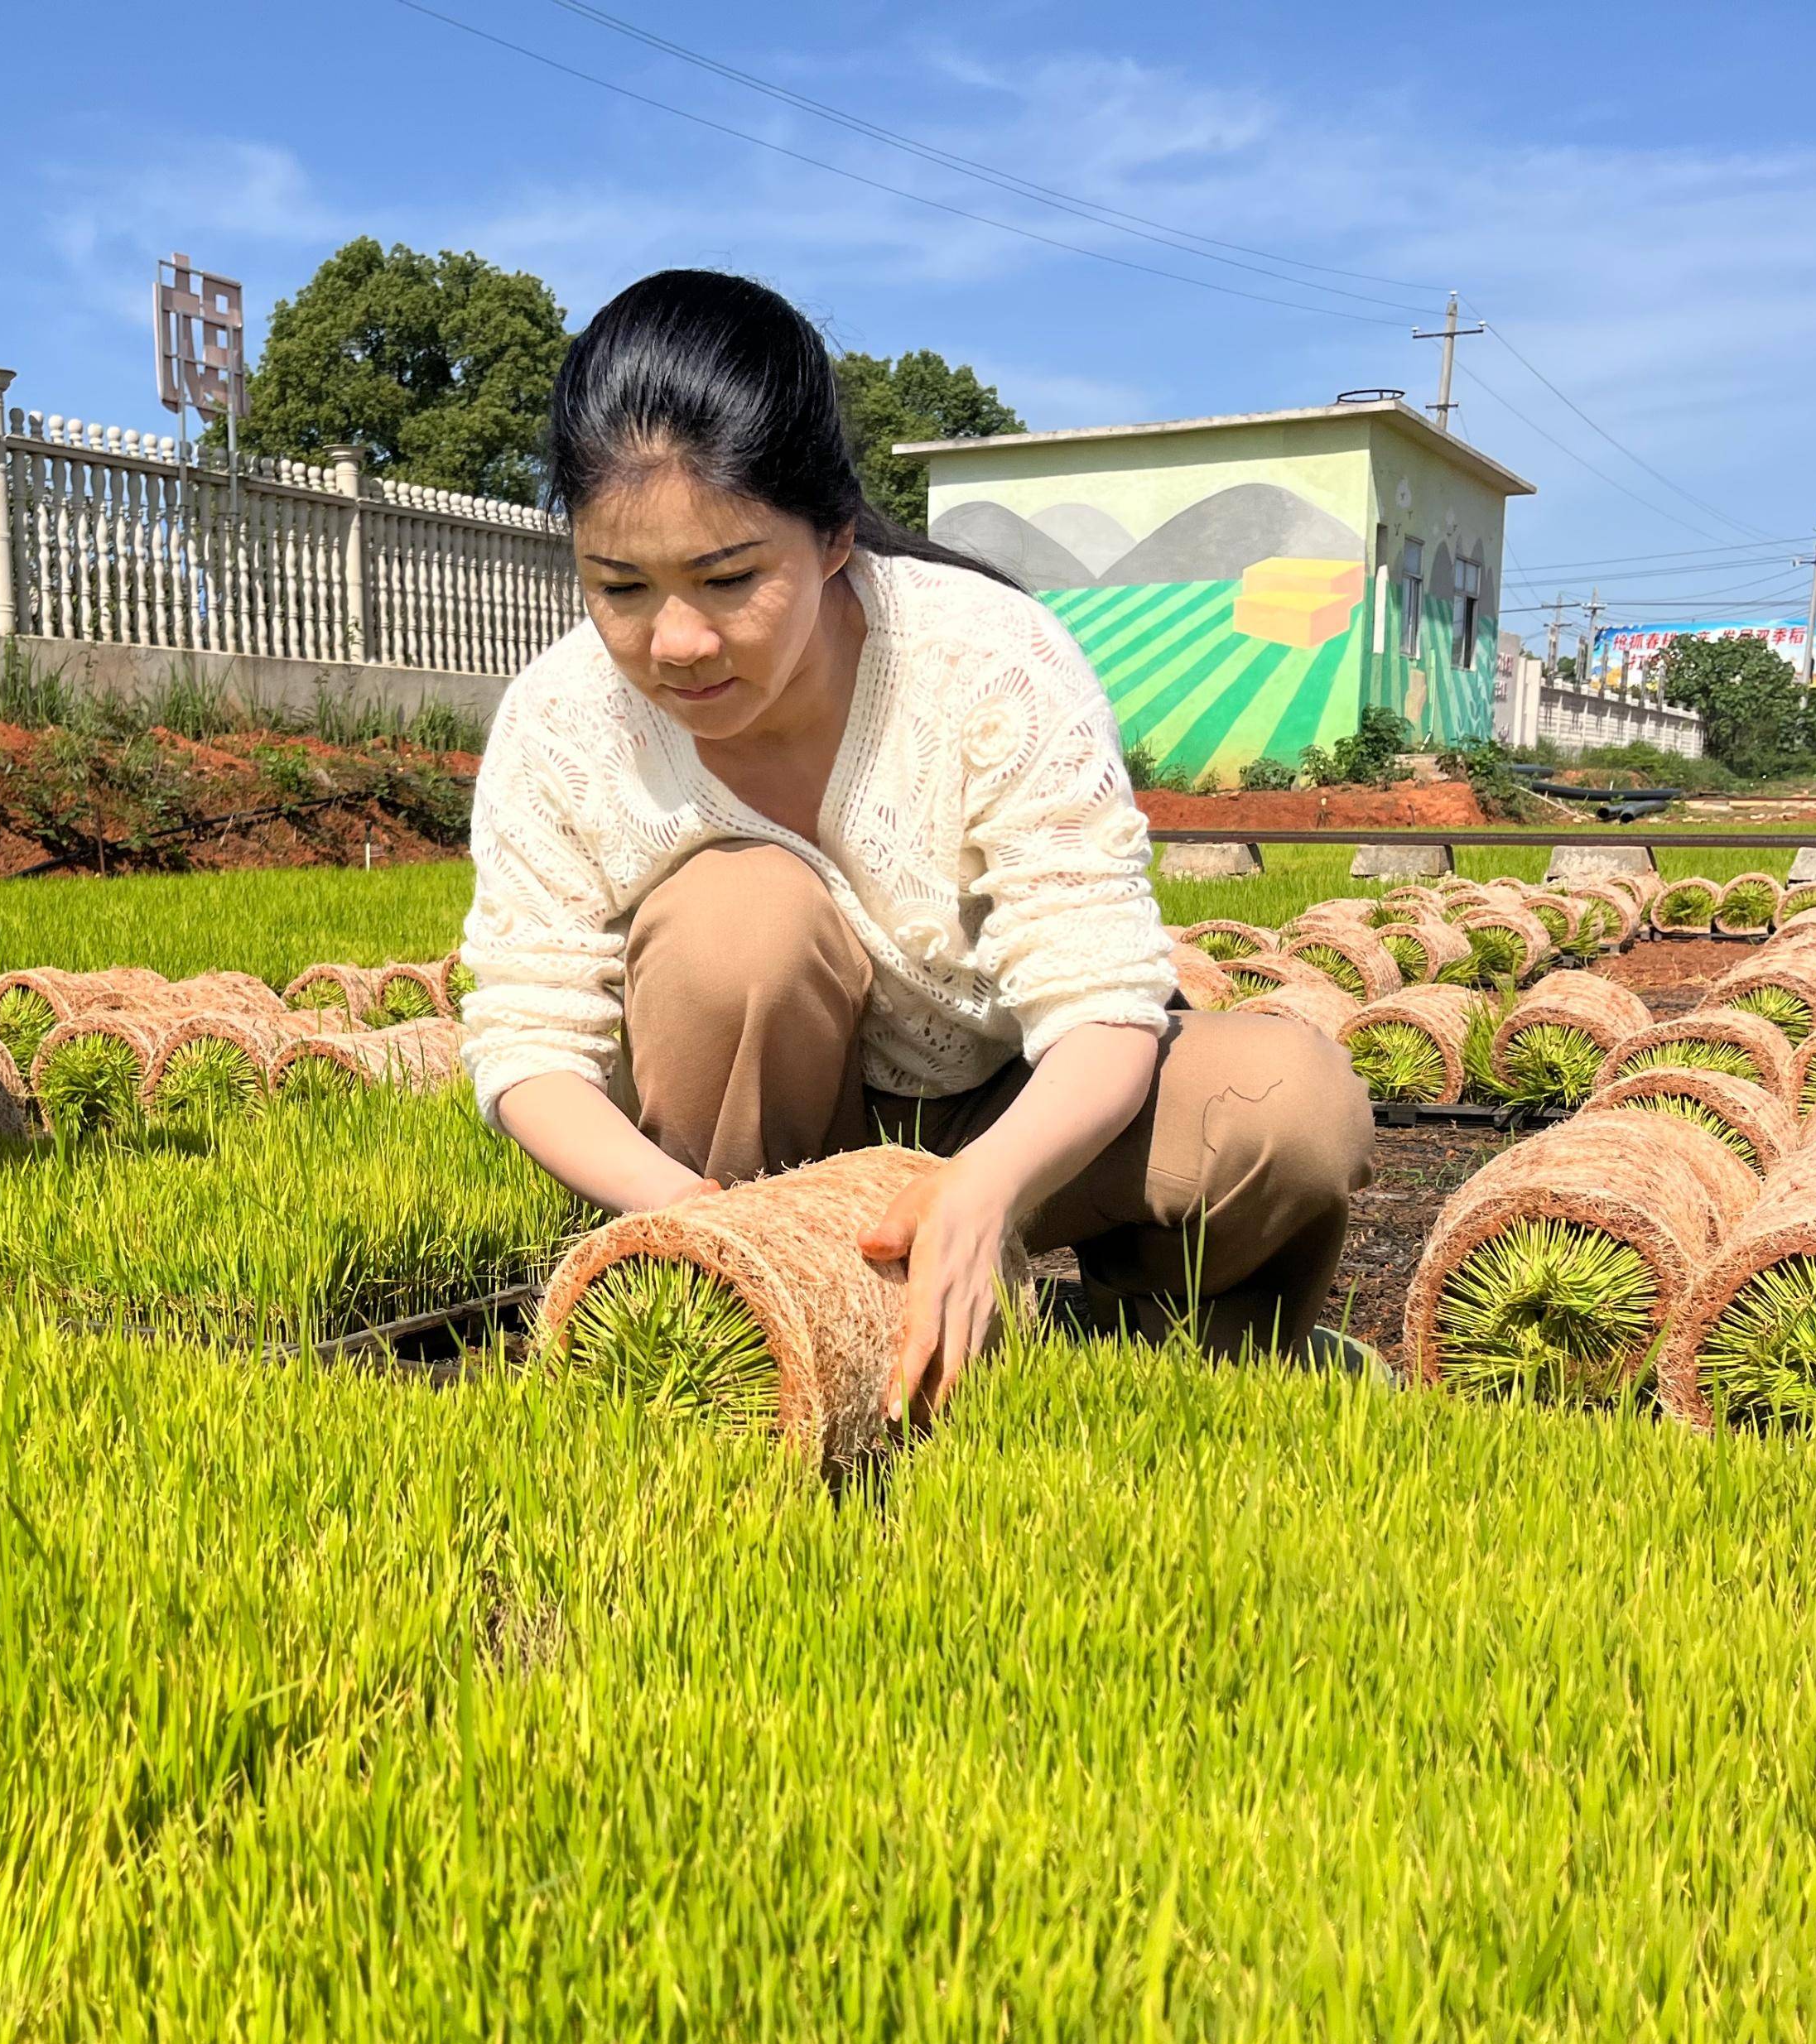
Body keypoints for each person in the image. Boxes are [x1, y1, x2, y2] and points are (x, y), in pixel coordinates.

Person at [461, 269, 1375, 1419]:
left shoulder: (986, 664)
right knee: (732, 917)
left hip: (1001, 1102)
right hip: (746, 1146)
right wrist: (699, 1216)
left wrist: (983, 1188)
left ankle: (1154, 1365)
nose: (677, 641)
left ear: (834, 536)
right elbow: (526, 1040)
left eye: (729, 578)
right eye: (621, 586)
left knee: (1284, 1105)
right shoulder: (563, 722)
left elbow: (1099, 1000)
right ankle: (750, 1342)